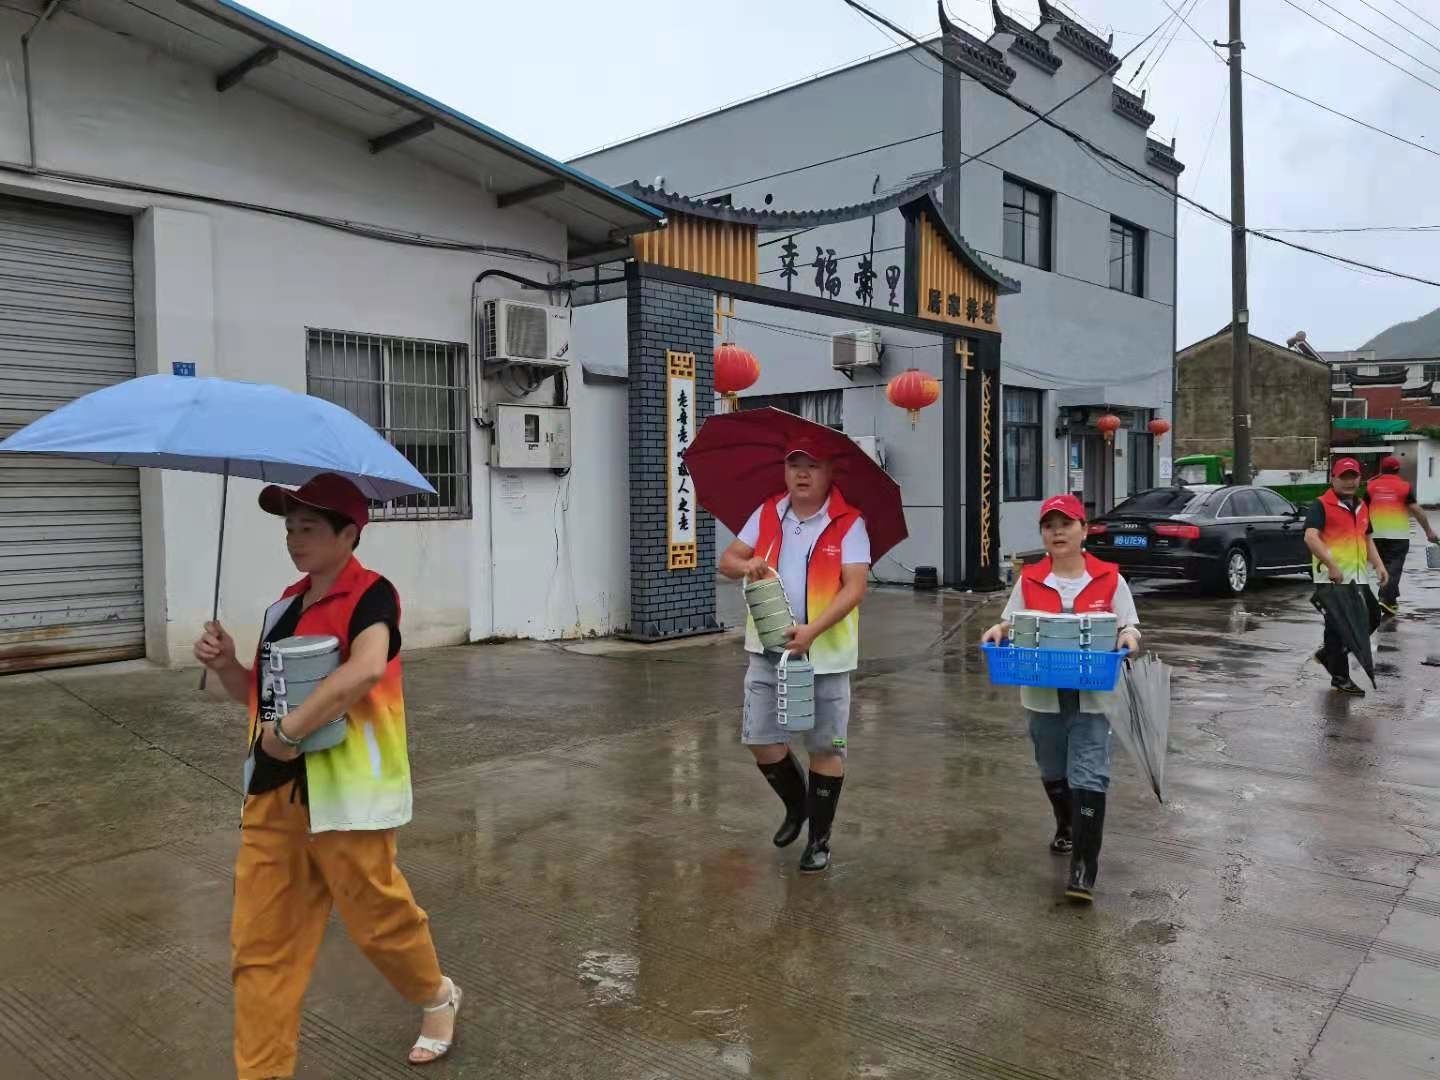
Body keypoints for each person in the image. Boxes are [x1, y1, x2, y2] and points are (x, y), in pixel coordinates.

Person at [193, 473, 461, 1077]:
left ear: (349, 533)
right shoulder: (284, 606)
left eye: (308, 527)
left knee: (380, 924)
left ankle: (437, 996)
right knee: (261, 951)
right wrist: (229, 665)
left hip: (347, 799)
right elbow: (260, 698)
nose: (294, 539)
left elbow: (366, 668)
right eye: (289, 528)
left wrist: (289, 735)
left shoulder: (374, 597)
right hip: (272, 797)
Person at [718, 439, 871, 874]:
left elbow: (855, 587)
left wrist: (812, 632)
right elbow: (729, 559)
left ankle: (819, 840)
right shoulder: (768, 512)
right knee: (760, 739)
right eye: (794, 466)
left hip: (826, 656)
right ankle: (798, 807)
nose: (802, 474)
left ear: (830, 474)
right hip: (767, 650)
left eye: (813, 466)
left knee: (825, 746)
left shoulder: (848, 523)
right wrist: (746, 566)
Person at [980, 495, 1141, 904]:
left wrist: (1127, 639)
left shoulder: (1109, 578)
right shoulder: (1030, 579)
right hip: (1041, 691)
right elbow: (1010, 621)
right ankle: (1066, 823)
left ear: (1084, 529)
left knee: (1089, 774)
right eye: (1049, 526)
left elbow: (1130, 626)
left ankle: (1084, 870)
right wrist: (998, 631)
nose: (1057, 532)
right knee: (1052, 767)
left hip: (1093, 695)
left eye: (1066, 524)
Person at [1304, 458, 1389, 696]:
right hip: (1333, 579)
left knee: (1373, 617)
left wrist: (1379, 565)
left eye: (1354, 476)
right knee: (1337, 627)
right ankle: (1340, 677)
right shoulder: (1321, 505)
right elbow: (1311, 537)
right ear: (1333, 478)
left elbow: (1367, 539)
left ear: (1360, 479)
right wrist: (1331, 565)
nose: (1350, 482)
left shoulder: (1362, 506)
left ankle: (1328, 655)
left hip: (1358, 577)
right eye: (1344, 477)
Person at [1365, 455, 1437, 612]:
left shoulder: (1370, 486)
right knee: (1394, 568)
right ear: (1398, 470)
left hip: (1375, 536)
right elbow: (1416, 510)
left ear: (1381, 469)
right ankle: (1384, 597)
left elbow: (1362, 509)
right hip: (1398, 536)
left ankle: (1391, 600)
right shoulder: (1405, 487)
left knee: (1384, 567)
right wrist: (1428, 531)